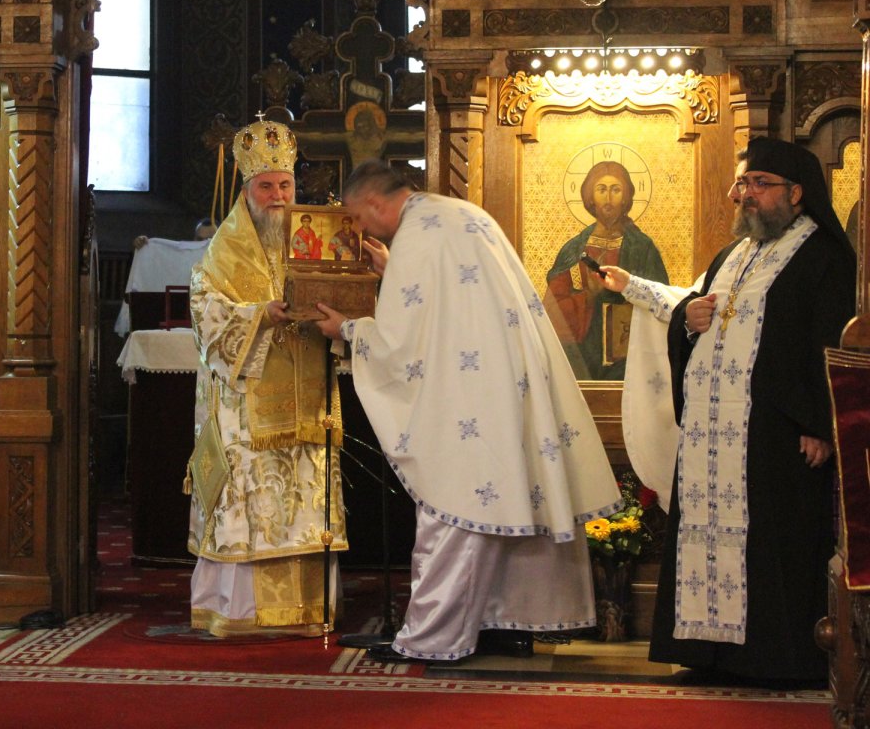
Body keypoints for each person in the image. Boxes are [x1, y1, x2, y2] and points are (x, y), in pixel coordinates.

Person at [315, 160, 621, 662]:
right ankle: (505, 623)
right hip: (506, 386)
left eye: (359, 218)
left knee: (456, 509)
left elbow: (399, 342)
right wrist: (393, 269)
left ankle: (432, 638)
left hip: (466, 400)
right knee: (508, 503)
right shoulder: (460, 214)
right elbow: (457, 300)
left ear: (373, 202)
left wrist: (347, 329)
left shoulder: (417, 234)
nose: (361, 230)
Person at [601, 137, 855, 683]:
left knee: (770, 541)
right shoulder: (732, 255)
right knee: (708, 538)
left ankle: (772, 660)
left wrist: (819, 423)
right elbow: (694, 319)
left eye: (760, 184)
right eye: (743, 183)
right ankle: (707, 651)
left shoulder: (825, 257)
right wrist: (688, 320)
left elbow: (830, 342)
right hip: (712, 435)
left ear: (796, 193)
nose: (746, 194)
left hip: (776, 432)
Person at [187, 116, 347, 637]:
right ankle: (241, 612)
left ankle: (307, 608)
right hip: (246, 405)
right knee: (253, 502)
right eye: (267, 186)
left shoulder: (312, 239)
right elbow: (205, 312)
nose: (278, 196)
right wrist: (260, 315)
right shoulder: (223, 250)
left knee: (303, 500)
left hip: (307, 401)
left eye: (285, 185)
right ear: (247, 191)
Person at [545, 161, 668, 380]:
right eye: (601, 189)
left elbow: (662, 302)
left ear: (626, 198)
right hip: (583, 358)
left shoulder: (643, 248)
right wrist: (588, 296)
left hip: (631, 355)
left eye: (616, 190)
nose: (608, 198)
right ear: (590, 197)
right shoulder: (574, 249)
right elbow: (552, 312)